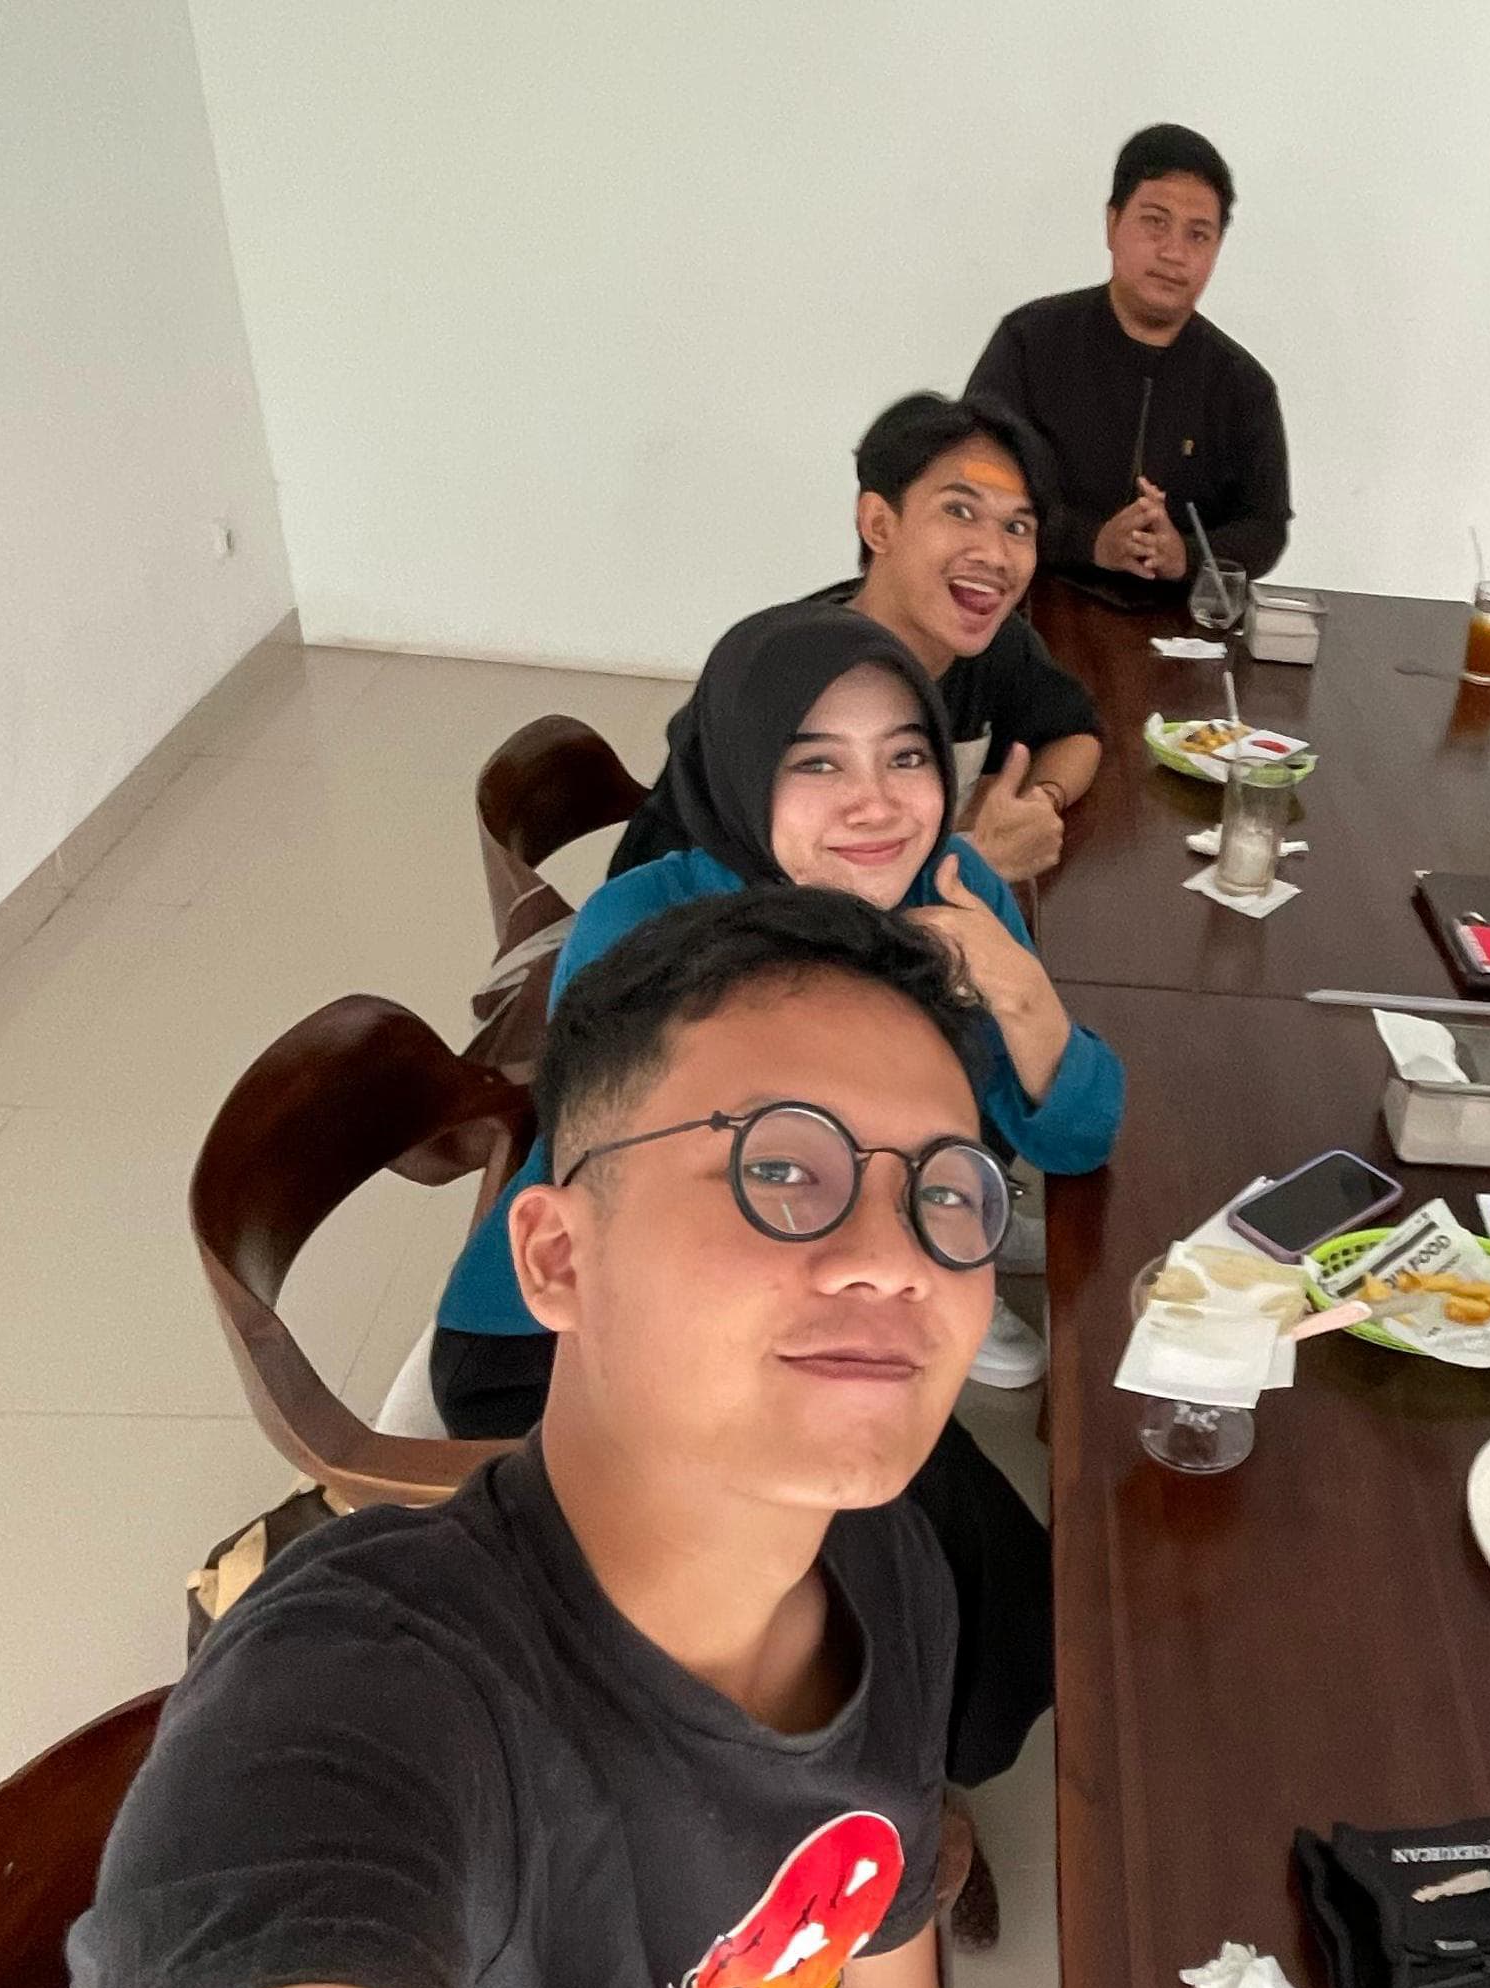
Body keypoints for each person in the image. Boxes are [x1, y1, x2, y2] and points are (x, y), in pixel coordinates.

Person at [0, 888, 1064, 1988]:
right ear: (557, 1255)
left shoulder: (888, 1563)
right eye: (781, 1169)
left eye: (945, 1195)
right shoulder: (364, 1694)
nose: (893, 1260)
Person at [438, 603, 1121, 1786]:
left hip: (808, 1284)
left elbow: (1076, 1136)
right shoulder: (649, 925)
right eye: (816, 764)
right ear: (741, 770)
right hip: (579, 1326)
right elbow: (645, 1214)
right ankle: (844, 1787)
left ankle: (907, 1764)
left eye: (906, 756)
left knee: (991, 1576)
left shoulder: (954, 890)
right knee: (891, 1565)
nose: (875, 803)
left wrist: (1018, 992)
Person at [610, 395, 1102, 888]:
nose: (995, 555)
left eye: (1017, 526)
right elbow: (726, 901)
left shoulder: (995, 646)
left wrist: (1039, 801)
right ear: (878, 525)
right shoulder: (776, 677)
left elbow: (1075, 734)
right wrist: (973, 866)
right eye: (959, 511)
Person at [968, 122, 1288, 605]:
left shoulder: (1243, 386)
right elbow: (974, 482)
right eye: (1155, 222)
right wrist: (1093, 542)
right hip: (1029, 609)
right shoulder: (1030, 342)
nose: (1174, 253)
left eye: (1198, 235)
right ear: (1112, 224)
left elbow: (1266, 528)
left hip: (1184, 625)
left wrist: (1184, 555)